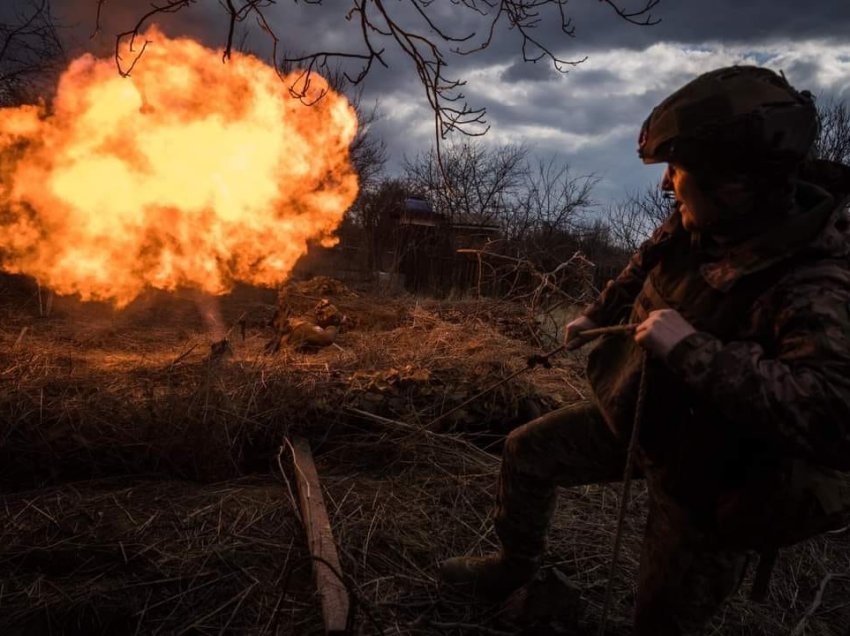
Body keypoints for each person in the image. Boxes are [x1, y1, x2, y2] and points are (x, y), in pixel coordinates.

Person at [439, 66, 850, 635]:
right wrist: (598, 314)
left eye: (678, 171)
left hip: (714, 479)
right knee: (527, 451)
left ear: (733, 185)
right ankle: (513, 568)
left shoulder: (818, 280)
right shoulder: (705, 219)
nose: (666, 186)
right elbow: (646, 261)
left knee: (660, 621)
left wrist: (691, 350)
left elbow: (831, 414)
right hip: (643, 417)